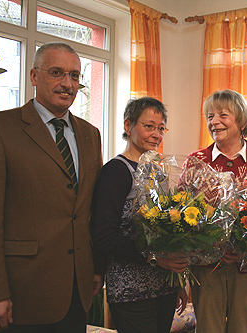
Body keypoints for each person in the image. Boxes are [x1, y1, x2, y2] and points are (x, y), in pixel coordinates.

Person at [0, 42, 103, 332]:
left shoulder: (90, 134)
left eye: (74, 75)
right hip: (21, 293)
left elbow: (89, 208)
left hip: (77, 289)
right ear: (34, 76)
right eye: (56, 72)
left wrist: (96, 267)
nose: (67, 84)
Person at [182, 89, 247, 333]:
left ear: (242, 120)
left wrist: (246, 252)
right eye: (210, 116)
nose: (214, 121)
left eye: (223, 115)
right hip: (205, 267)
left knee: (242, 329)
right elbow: (181, 212)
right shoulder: (196, 161)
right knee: (208, 329)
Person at [91, 97, 189, 333]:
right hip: (131, 292)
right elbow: (104, 235)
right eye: (149, 126)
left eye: (161, 128)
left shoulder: (158, 172)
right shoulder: (115, 171)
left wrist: (178, 282)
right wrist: (153, 257)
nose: (156, 134)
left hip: (163, 288)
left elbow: (166, 232)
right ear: (128, 126)